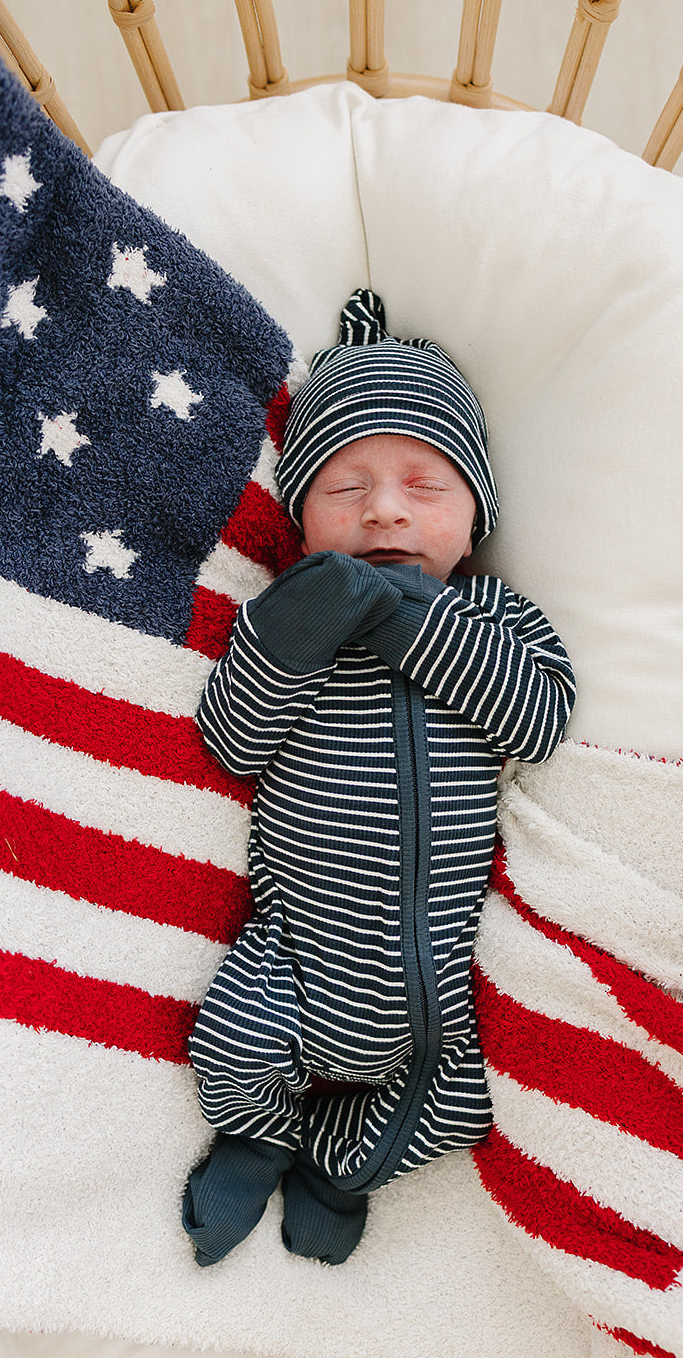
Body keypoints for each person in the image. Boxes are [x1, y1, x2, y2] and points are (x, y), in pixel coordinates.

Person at [182, 289, 575, 1267]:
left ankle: (334, 1166)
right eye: (345, 489)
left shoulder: (491, 621)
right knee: (223, 1050)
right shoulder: (288, 626)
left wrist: (408, 616)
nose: (385, 508)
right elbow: (230, 740)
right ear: (303, 519)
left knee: (465, 1106)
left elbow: (535, 719)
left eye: (421, 485)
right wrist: (294, 632)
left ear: (476, 511)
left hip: (439, 984)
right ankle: (260, 1131)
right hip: (295, 961)